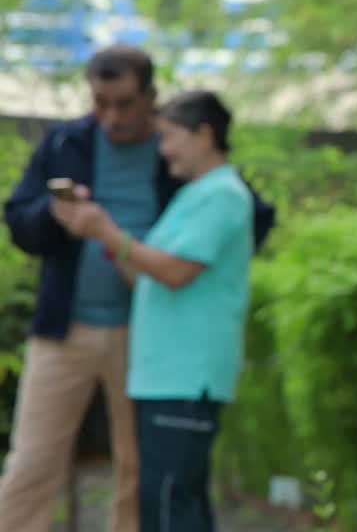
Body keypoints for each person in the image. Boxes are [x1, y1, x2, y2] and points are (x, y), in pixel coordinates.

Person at [1, 46, 273, 532]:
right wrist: (56, 216)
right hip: (65, 326)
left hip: (145, 335)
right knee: (33, 462)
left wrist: (195, 263)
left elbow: (246, 213)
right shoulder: (67, 142)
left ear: (151, 96)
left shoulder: (184, 159)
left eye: (124, 103)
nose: (111, 116)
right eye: (101, 102)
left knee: (140, 470)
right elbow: (19, 222)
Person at [49, 90, 255, 532]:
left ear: (204, 134)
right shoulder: (194, 194)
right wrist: (98, 229)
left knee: (166, 506)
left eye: (170, 137)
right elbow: (142, 272)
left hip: (186, 375)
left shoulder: (222, 195)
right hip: (165, 375)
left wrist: (109, 232)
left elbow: (176, 271)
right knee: (176, 502)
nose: (163, 151)